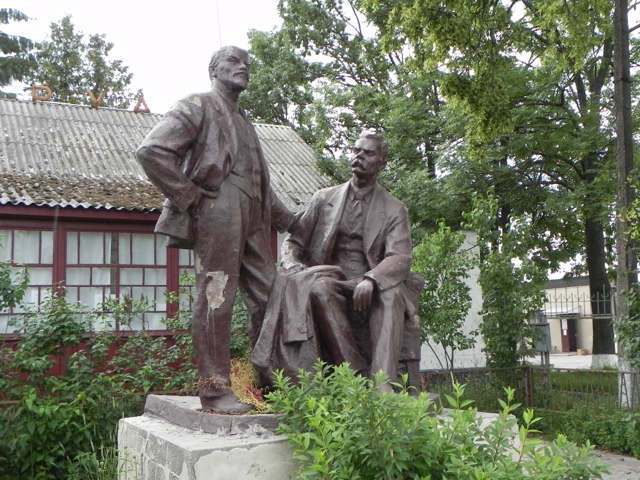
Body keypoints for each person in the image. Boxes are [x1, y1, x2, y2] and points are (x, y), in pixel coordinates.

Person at [136, 46, 294, 413]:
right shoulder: (198, 104)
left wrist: (292, 221)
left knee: (272, 296)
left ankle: (270, 381)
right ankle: (214, 389)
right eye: (234, 61)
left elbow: (259, 184)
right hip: (219, 209)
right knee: (216, 295)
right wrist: (191, 197)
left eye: (247, 63)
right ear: (214, 70)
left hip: (253, 215)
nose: (243, 67)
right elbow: (151, 151)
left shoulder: (245, 122)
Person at [252, 133, 414, 392]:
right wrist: (291, 262)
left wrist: (371, 279)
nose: (359, 156)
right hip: (331, 277)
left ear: (382, 163)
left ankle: (381, 384)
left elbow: (399, 256)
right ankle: (354, 373)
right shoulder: (323, 198)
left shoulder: (394, 208)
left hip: (368, 279)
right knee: (319, 288)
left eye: (368, 153)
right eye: (356, 151)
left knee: (390, 295)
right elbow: (294, 242)